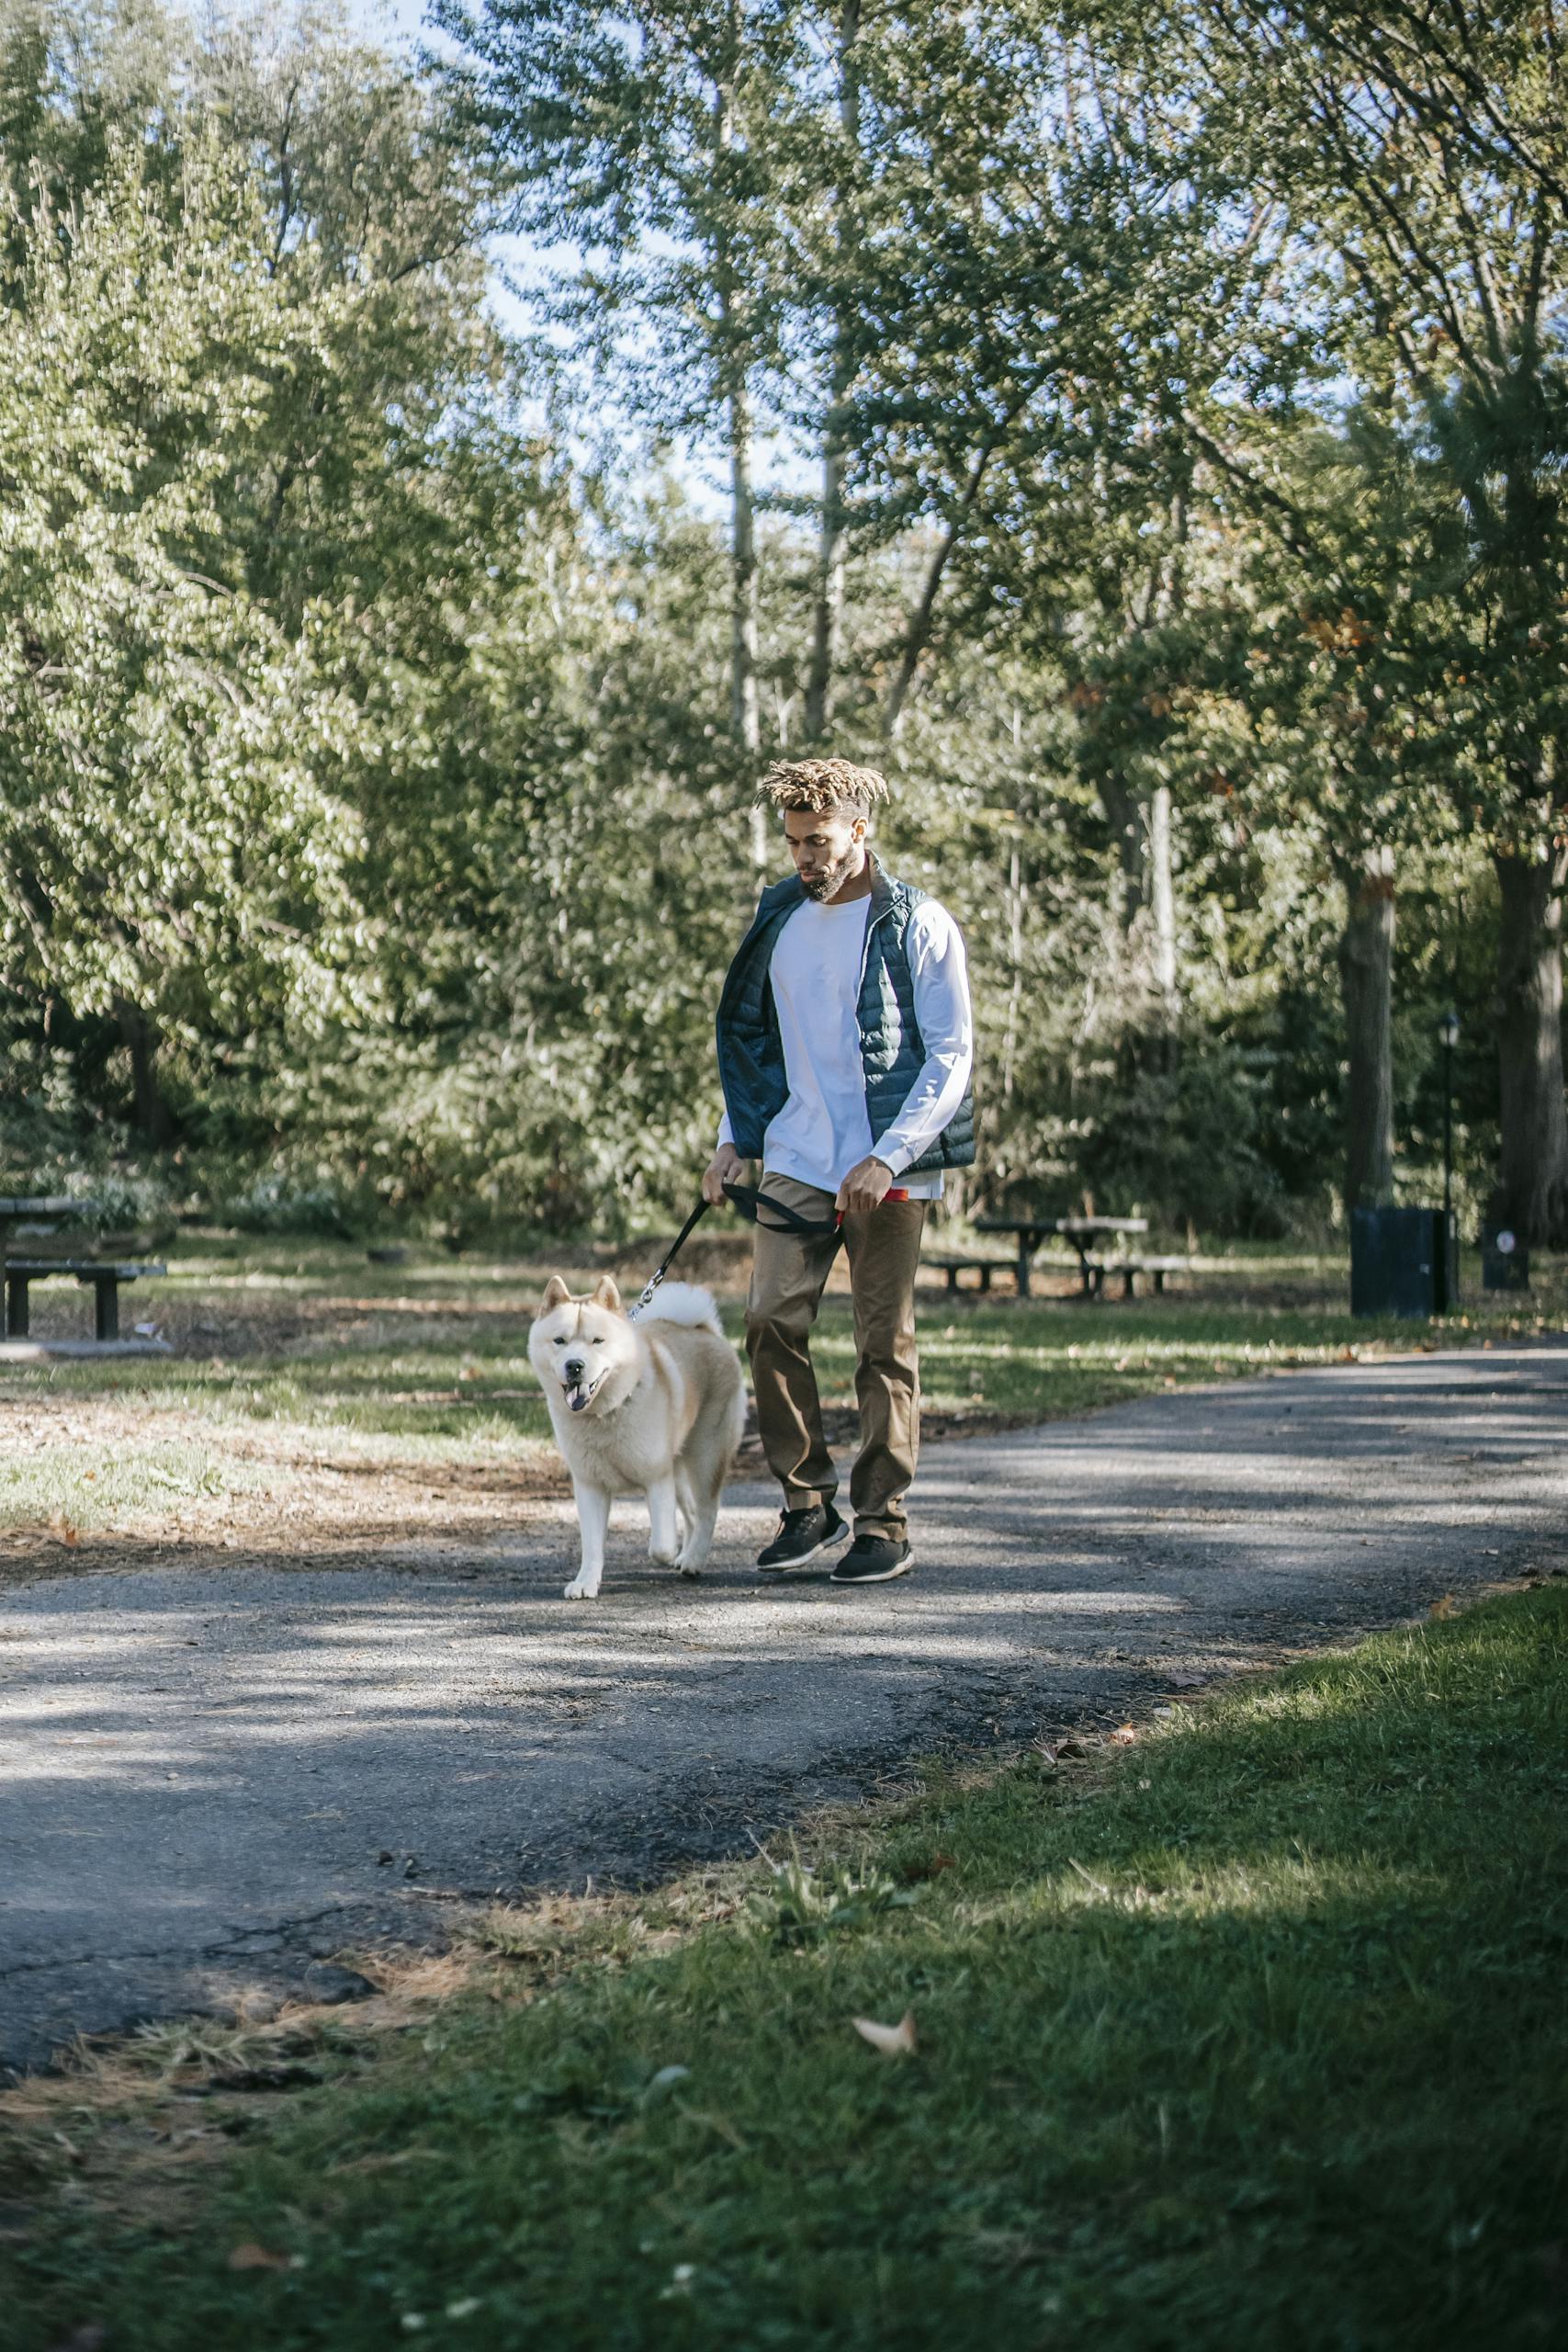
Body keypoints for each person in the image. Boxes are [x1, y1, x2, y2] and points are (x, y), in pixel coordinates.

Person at [703, 756, 975, 1585]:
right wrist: (732, 1134)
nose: (803, 860)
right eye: (793, 844)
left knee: (880, 1345)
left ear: (861, 831)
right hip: (795, 1152)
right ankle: (805, 1503)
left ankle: (883, 1522)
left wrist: (887, 1156)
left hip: (886, 1165)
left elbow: (952, 1053)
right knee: (768, 1322)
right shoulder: (779, 918)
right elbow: (759, 1045)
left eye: (817, 842)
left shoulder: (917, 922)